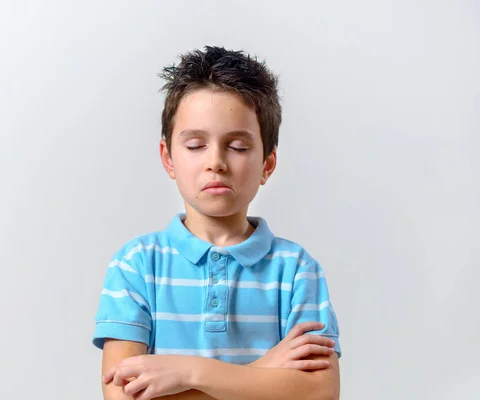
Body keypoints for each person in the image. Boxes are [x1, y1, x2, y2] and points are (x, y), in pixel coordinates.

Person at [92, 46, 341, 400]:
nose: (216, 162)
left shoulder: (297, 270)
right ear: (168, 159)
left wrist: (188, 373)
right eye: (195, 145)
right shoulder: (136, 265)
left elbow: (321, 393)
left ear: (267, 165)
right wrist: (264, 373)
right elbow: (121, 396)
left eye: (237, 147)